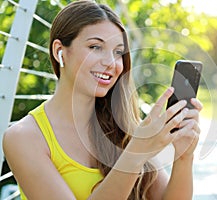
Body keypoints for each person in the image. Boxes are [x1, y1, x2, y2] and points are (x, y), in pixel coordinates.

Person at [3, 1, 203, 199]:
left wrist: (184, 157)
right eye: (95, 47)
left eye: (118, 52)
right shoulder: (23, 137)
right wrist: (134, 155)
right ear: (59, 51)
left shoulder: (124, 127)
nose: (111, 63)